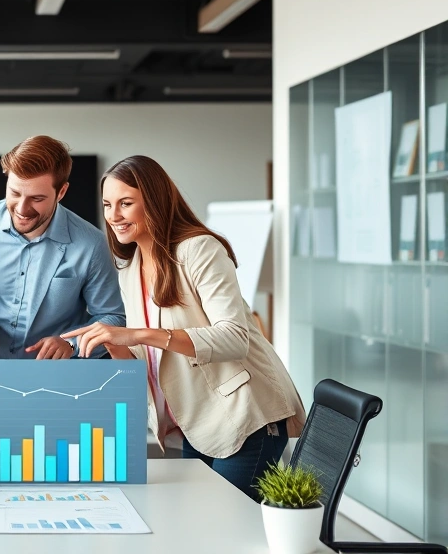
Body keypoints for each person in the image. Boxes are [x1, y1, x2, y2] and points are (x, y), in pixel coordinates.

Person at [62, 154, 306, 500]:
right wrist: (111, 341)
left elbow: (235, 338)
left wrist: (136, 334)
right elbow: (141, 365)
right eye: (107, 205)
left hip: (245, 416)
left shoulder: (199, 250)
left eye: (125, 203)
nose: (113, 216)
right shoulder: (131, 268)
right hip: (198, 422)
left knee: (225, 526)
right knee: (200, 519)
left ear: (155, 202)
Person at [0, 135, 125, 360]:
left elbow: (112, 316)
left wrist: (71, 344)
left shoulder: (91, 243)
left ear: (61, 192)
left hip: (57, 379)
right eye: (14, 193)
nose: (22, 208)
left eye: (37, 198)